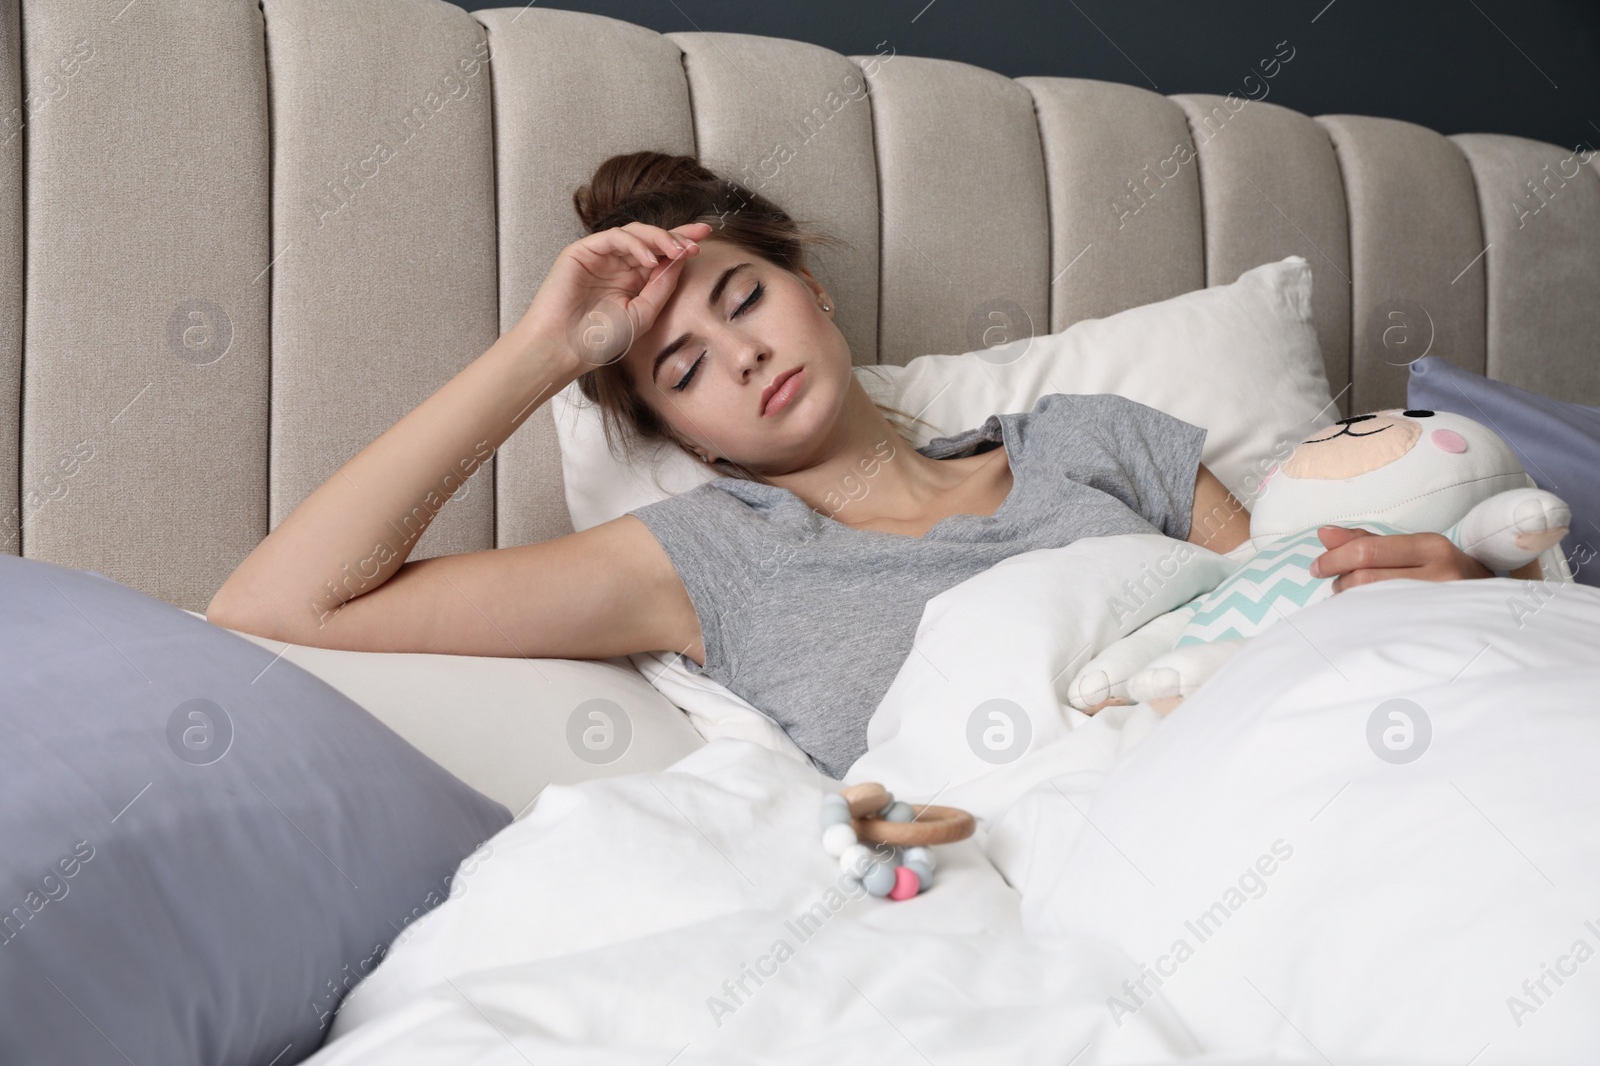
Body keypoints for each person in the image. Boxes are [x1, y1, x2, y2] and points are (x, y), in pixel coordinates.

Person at [206, 151, 1494, 779]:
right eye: (680, 369)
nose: (739, 359)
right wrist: (549, 349)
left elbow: (1285, 599)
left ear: (809, 289)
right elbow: (281, 607)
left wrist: (1425, 583)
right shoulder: (703, 560)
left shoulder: (1093, 439)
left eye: (740, 301)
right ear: (685, 438)